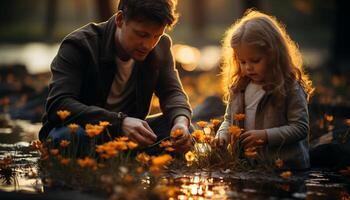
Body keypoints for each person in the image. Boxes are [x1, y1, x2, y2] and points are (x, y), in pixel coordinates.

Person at [39, 0, 192, 154]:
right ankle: (124, 160)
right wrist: (119, 122)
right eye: (142, 34)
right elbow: (59, 104)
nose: (148, 45)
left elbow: (172, 92)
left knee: (182, 131)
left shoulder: (161, 47)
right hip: (84, 131)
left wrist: (181, 123)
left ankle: (127, 160)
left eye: (156, 36)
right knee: (69, 137)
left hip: (129, 136)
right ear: (120, 19)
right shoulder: (79, 45)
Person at [214, 9, 314, 169]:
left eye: (255, 60)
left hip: (285, 167)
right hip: (249, 165)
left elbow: (300, 128)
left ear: (274, 55)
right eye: (242, 62)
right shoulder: (239, 87)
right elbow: (228, 120)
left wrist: (266, 136)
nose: (248, 68)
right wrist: (222, 135)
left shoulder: (290, 87)